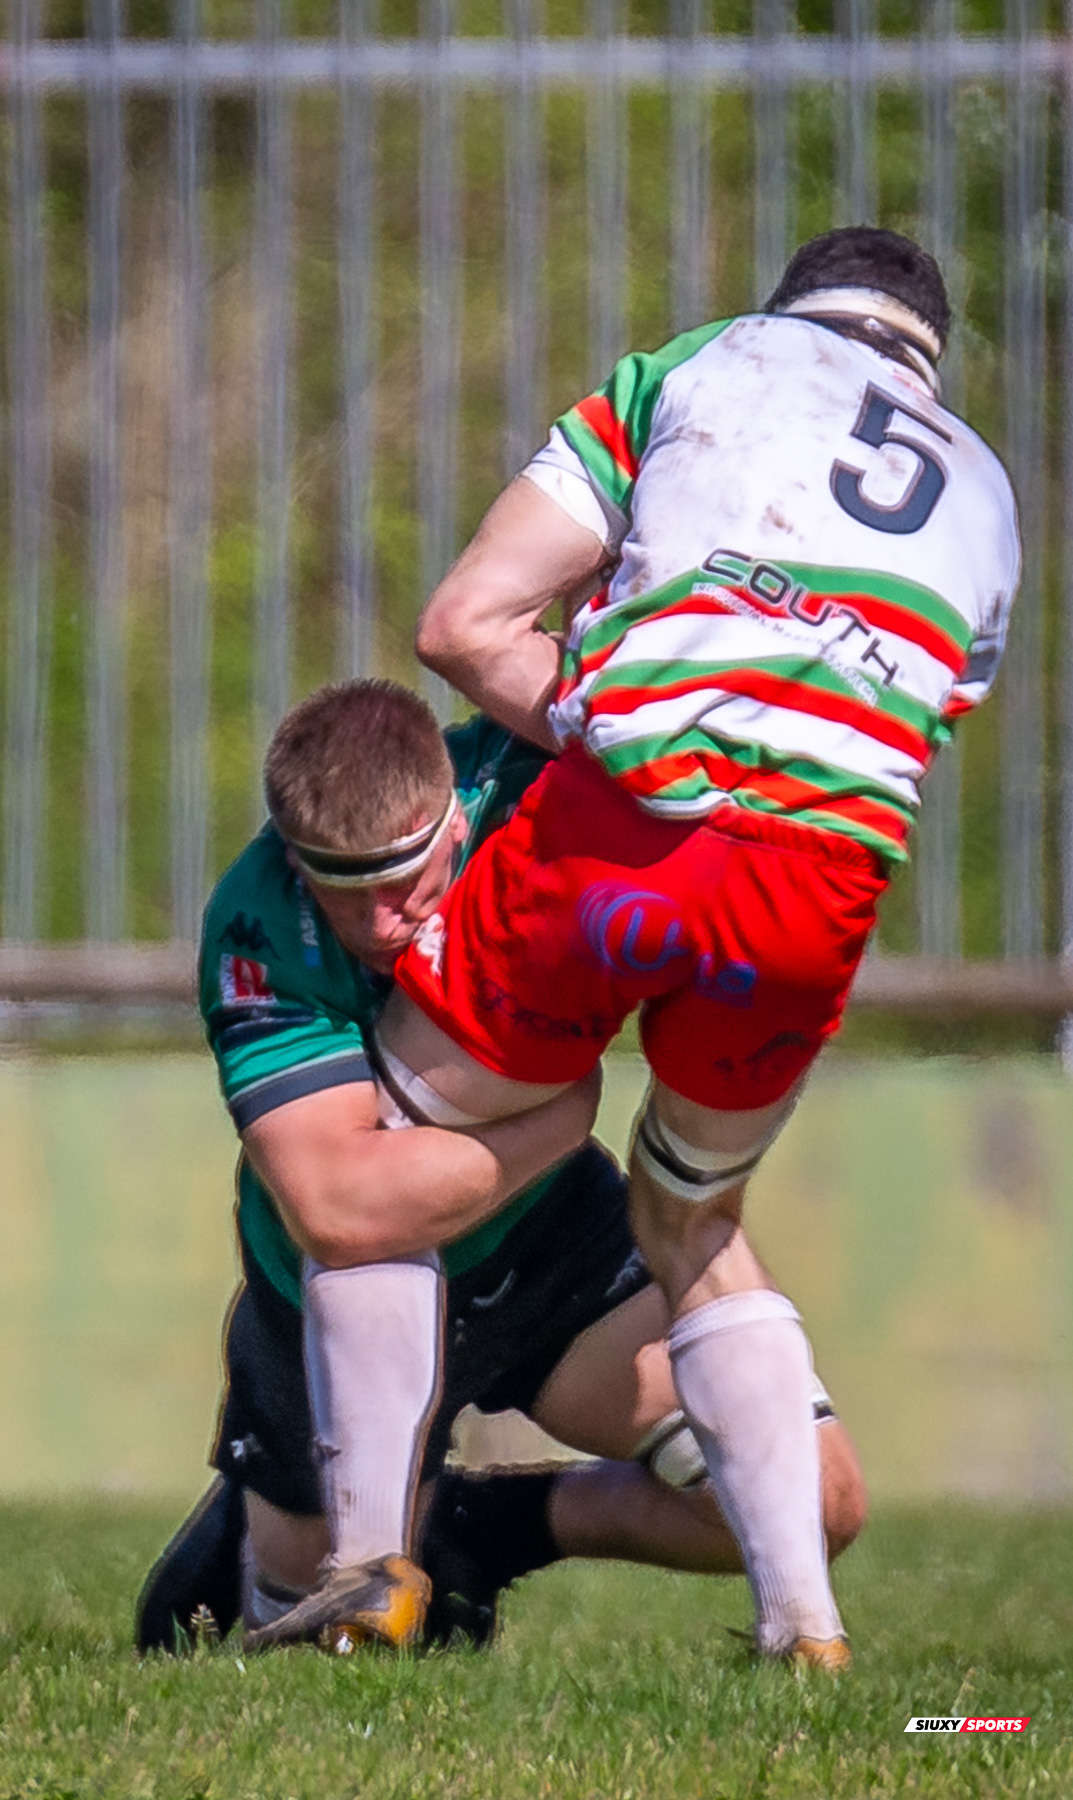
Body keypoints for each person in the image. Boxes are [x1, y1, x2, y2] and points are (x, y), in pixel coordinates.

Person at [299, 228, 1021, 1671]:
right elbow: (913, 722)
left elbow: (465, 624)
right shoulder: (991, 494)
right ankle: (801, 1627)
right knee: (689, 1226)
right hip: (815, 891)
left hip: (624, 828)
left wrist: (624, 720)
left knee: (384, 1156)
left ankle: (371, 1573)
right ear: (926, 354)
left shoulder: (708, 365)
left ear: (793, 310)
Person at [135, 678, 865, 1655]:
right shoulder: (257, 921)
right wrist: (556, 1122)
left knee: (812, 1507)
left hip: (537, 1239)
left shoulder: (536, 779)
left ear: (453, 813)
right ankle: (273, 1519)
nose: (385, 922)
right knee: (297, 1635)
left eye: (405, 879)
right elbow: (339, 1212)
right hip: (332, 1288)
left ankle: (478, 1532)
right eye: (344, 892)